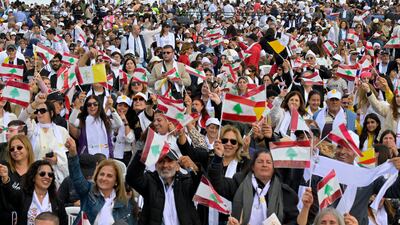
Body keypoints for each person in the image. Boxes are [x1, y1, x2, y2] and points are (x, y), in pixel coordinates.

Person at [208, 150, 299, 224]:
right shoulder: (239, 182)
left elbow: (293, 220)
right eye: (260, 161)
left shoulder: (284, 192)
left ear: (274, 168)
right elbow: (218, 185)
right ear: (252, 166)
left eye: (268, 162)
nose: (264, 165)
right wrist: (218, 158)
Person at [126, 139, 201, 225]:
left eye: (170, 161)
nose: (165, 165)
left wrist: (196, 169)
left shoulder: (186, 182)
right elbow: (132, 177)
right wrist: (143, 153)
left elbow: (200, 184)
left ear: (177, 166)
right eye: (161, 161)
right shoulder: (149, 181)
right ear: (155, 165)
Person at [65, 137, 135, 225]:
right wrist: (73, 154)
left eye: (109, 176)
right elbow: (76, 178)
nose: (104, 178)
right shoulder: (88, 191)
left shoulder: (124, 203)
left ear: (116, 181)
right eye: (101, 174)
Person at [19, 93, 70, 187]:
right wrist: (35, 103)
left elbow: (69, 154)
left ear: (51, 113)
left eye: (42, 111)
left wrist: (57, 159)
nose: (38, 113)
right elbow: (22, 119)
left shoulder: (62, 131)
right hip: (35, 177)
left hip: (56, 179)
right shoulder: (32, 128)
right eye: (37, 111)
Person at [0, 160, 67, 225]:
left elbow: (63, 222)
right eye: (42, 174)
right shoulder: (22, 196)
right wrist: (5, 178)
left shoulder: (57, 201)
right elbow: (10, 195)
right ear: (33, 177)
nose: (47, 177)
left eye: (50, 174)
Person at [0, 134, 34, 224]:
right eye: (12, 149)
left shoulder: (35, 172)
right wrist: (5, 179)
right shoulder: (3, 167)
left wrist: (7, 181)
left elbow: (24, 200)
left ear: (28, 148)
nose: (15, 151)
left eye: (19, 147)